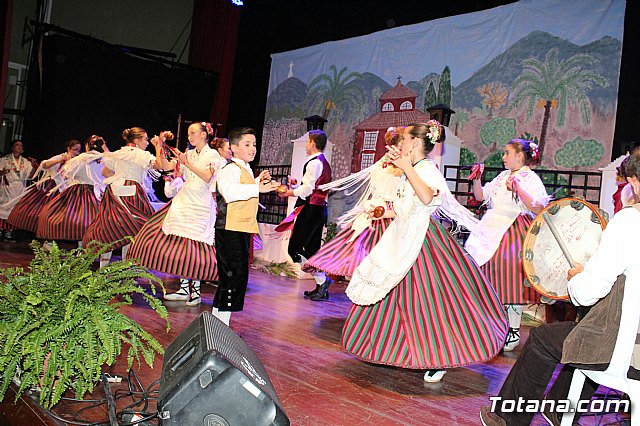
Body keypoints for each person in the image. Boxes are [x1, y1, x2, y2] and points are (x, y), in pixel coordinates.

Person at [479, 149, 640, 426]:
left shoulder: (629, 221)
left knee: (546, 338)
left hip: (628, 354)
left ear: (635, 181)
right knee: (581, 334)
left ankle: (508, 419)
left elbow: (588, 291)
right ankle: (559, 409)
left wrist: (577, 276)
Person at [342, 121, 508, 383]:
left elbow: (428, 198)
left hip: (423, 242)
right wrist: (380, 211)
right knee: (397, 298)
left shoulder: (426, 169)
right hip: (402, 237)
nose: (402, 143)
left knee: (428, 302)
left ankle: (439, 357)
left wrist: (407, 168)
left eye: (406, 139)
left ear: (416, 143)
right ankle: (392, 348)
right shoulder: (414, 169)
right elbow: (405, 207)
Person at [465, 139, 549, 351]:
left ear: (520, 156)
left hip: (513, 229)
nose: (503, 157)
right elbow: (480, 196)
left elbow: (539, 206)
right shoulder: (502, 176)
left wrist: (519, 189)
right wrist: (477, 178)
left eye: (507, 153)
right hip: (490, 227)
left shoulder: (530, 178)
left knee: (510, 276)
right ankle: (488, 325)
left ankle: (513, 328)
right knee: (483, 272)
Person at [128, 123, 222, 306]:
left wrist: (187, 162)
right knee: (182, 245)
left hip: (200, 203)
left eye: (193, 133)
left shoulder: (212, 155)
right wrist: (159, 146)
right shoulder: (190, 154)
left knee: (196, 247)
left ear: (204, 135)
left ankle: (195, 292)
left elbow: (207, 176)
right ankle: (184, 288)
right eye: (189, 134)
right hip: (184, 200)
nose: (190, 136)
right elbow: (165, 166)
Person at [301, 127, 405, 289]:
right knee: (354, 246)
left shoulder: (404, 165)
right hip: (378, 209)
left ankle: (377, 285)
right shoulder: (384, 164)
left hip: (391, 212)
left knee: (381, 252)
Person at [213, 127, 279, 325]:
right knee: (234, 276)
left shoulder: (245, 169)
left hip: (240, 228)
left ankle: (219, 322)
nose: (253, 149)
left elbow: (244, 189)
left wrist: (258, 182)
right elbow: (230, 192)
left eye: (255, 145)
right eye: (247, 144)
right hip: (230, 228)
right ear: (233, 147)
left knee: (233, 276)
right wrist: (256, 186)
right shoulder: (230, 169)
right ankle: (220, 324)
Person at [82, 127, 157, 267]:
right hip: (131, 192)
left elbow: (106, 172)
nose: (147, 143)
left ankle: (103, 268)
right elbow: (158, 165)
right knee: (135, 229)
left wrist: (120, 175)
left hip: (113, 192)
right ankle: (126, 269)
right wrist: (159, 146)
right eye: (146, 139)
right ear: (136, 140)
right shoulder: (140, 154)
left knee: (109, 229)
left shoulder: (117, 154)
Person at [278, 129, 333, 300]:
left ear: (313, 143)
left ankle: (322, 280)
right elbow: (311, 186)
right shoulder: (319, 162)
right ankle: (320, 286)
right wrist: (297, 186)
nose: (306, 145)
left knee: (294, 248)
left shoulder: (314, 162)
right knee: (311, 249)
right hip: (317, 209)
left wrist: (289, 192)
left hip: (311, 210)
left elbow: (308, 189)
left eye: (308, 141)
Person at [36, 135, 109, 245]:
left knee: (69, 217)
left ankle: (77, 246)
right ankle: (84, 247)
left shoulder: (79, 159)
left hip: (81, 191)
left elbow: (67, 174)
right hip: (97, 192)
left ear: (86, 145)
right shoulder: (106, 158)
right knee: (92, 220)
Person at [6, 139, 82, 235]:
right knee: (45, 212)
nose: (77, 152)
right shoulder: (61, 157)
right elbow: (45, 165)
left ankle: (49, 237)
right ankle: (45, 237)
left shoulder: (76, 161)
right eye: (75, 150)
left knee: (59, 216)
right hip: (52, 188)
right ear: (68, 149)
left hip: (65, 189)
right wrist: (60, 160)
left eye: (78, 150)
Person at [0, 140, 38, 240]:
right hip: (8, 187)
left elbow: (30, 176)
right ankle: (1, 230)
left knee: (15, 209)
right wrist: (2, 172)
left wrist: (34, 167)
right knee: (4, 207)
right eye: (17, 145)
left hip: (20, 187)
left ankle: (10, 232)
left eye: (21, 145)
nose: (19, 147)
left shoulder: (25, 162)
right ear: (12, 147)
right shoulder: (5, 159)